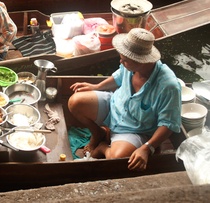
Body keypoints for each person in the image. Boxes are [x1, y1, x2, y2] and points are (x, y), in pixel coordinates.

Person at [67, 28, 181, 171]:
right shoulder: (129, 66)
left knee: (116, 159)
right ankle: (99, 133)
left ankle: (103, 147)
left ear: (141, 61)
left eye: (125, 60)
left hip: (135, 129)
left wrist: (147, 148)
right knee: (75, 102)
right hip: (114, 107)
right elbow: (118, 76)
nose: (121, 61)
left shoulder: (169, 86)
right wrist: (96, 86)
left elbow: (168, 124)